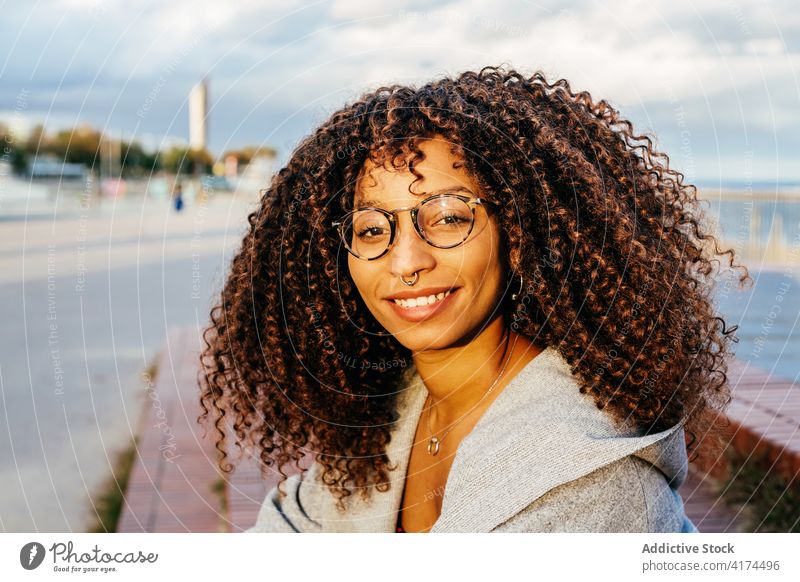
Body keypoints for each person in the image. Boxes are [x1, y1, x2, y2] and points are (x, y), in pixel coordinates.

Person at [198, 65, 752, 533]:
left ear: (520, 229)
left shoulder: (592, 482)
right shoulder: (389, 416)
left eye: (447, 218)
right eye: (370, 230)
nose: (406, 262)